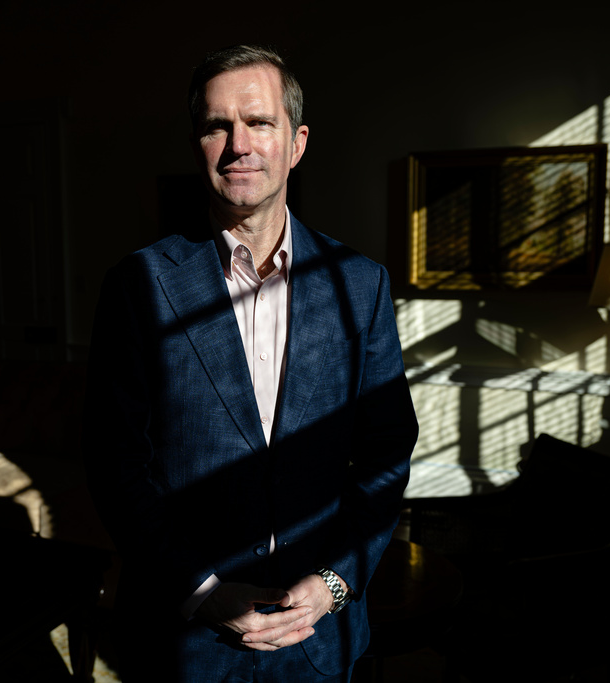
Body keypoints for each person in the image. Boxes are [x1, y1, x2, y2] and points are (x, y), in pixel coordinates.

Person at [84, 44, 418, 682]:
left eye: (259, 122)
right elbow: (115, 462)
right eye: (217, 126)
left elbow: (385, 456)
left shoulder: (360, 285)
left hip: (318, 639)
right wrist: (203, 592)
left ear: (296, 142)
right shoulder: (138, 283)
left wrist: (333, 582)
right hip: (183, 643)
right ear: (197, 145)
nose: (239, 144)